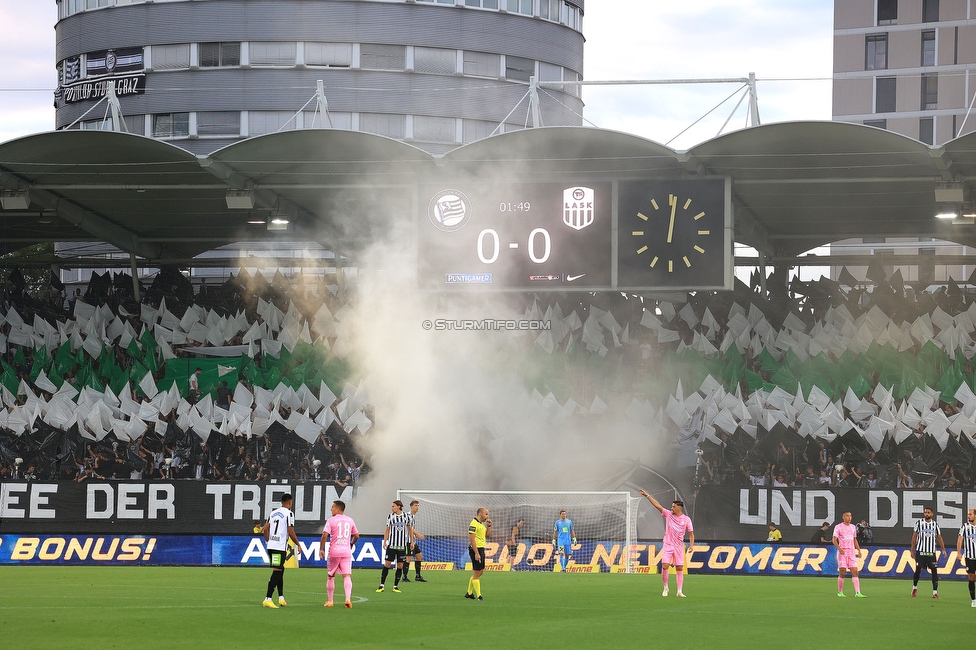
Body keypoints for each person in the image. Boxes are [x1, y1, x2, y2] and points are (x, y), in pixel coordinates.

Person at [640, 489, 694, 598]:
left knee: (679, 568)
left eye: (674, 506)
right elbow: (657, 505)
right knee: (665, 566)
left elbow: (691, 534)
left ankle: (679, 591)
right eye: (672, 506)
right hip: (668, 544)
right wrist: (648, 495)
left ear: (679, 508)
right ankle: (665, 588)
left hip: (679, 546)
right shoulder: (669, 514)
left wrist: (692, 546)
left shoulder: (686, 519)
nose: (671, 508)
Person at [319, 499, 359, 608]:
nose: (331, 509)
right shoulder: (350, 520)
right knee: (346, 576)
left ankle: (330, 601)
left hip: (334, 552)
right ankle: (347, 598)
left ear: (337, 509)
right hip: (346, 552)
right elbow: (356, 536)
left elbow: (325, 535)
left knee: (331, 576)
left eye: (332, 507)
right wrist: (351, 543)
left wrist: (321, 548)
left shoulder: (331, 520)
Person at [262, 493, 298, 609]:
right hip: (279, 547)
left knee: (280, 569)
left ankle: (281, 597)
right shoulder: (289, 514)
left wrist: (269, 541)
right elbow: (291, 532)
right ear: (290, 502)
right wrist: (298, 544)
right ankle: (268, 598)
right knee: (277, 571)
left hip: (272, 546)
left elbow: (265, 529)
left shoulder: (273, 513)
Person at [376, 500, 413, 593]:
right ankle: (381, 585)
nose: (392, 508)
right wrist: (385, 541)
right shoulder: (390, 516)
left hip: (402, 546)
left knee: (400, 565)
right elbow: (387, 529)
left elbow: (410, 529)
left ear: (398, 506)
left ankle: (396, 586)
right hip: (392, 545)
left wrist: (412, 541)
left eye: (393, 506)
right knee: (387, 564)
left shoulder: (406, 516)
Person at [910, 506, 946, 598]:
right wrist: (912, 550)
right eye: (925, 512)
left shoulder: (935, 525)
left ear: (932, 514)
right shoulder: (919, 523)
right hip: (921, 551)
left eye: (929, 512)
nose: (927, 514)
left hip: (931, 552)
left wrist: (943, 549)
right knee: (918, 569)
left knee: (934, 570)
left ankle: (934, 592)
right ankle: (914, 587)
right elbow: (914, 536)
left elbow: (939, 537)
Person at [832, 511, 865, 598]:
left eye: (850, 516)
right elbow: (834, 540)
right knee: (842, 572)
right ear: (843, 517)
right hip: (842, 552)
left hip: (851, 552)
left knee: (855, 571)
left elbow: (854, 540)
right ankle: (840, 592)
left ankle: (858, 592)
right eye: (847, 516)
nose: (849, 517)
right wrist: (839, 548)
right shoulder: (838, 527)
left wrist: (858, 550)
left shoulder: (853, 527)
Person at [465, 507, 491, 601]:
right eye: (486, 514)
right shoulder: (473, 524)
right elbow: (472, 539)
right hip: (475, 549)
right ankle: (479, 595)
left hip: (481, 549)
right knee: (477, 572)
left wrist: (489, 526)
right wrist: (476, 553)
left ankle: (469, 593)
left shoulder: (481, 524)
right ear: (480, 514)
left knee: (480, 572)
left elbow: (487, 536)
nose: (487, 516)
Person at [402, 499, 427, 583]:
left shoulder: (413, 516)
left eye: (418, 506)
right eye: (415, 505)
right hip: (407, 541)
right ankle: (404, 577)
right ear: (411, 506)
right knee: (408, 558)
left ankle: (418, 576)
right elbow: (409, 528)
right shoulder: (408, 515)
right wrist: (418, 534)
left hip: (413, 540)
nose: (417, 507)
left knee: (419, 556)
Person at [956, 508, 976, 607]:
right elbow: (960, 539)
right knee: (971, 577)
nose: (968, 516)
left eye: (970, 514)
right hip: (970, 556)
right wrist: (959, 552)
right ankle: (973, 600)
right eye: (968, 514)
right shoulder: (965, 526)